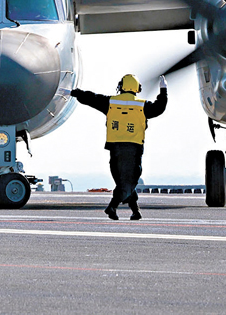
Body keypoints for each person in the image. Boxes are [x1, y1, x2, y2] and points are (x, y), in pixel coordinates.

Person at [71, 74, 168, 220]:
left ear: (121, 87)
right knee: (129, 182)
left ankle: (135, 211)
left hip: (115, 148)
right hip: (133, 149)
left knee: (123, 182)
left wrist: (75, 92)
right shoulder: (142, 105)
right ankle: (112, 206)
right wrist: (163, 90)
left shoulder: (110, 102)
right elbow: (159, 108)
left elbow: (91, 98)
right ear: (137, 88)